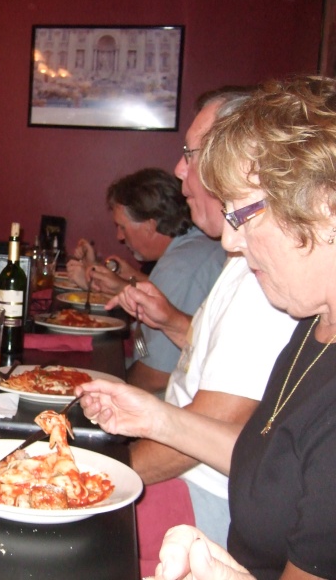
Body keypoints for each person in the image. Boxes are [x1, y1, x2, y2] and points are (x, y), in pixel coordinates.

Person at [82, 76, 336, 580]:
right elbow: (264, 461)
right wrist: (157, 420)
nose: (232, 244)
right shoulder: (315, 328)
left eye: (242, 213)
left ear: (325, 206)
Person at [68, 168, 226, 392]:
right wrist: (131, 280)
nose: (119, 237)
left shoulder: (179, 269)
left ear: (150, 225)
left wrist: (105, 388)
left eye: (122, 227)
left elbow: (156, 376)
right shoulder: (195, 246)